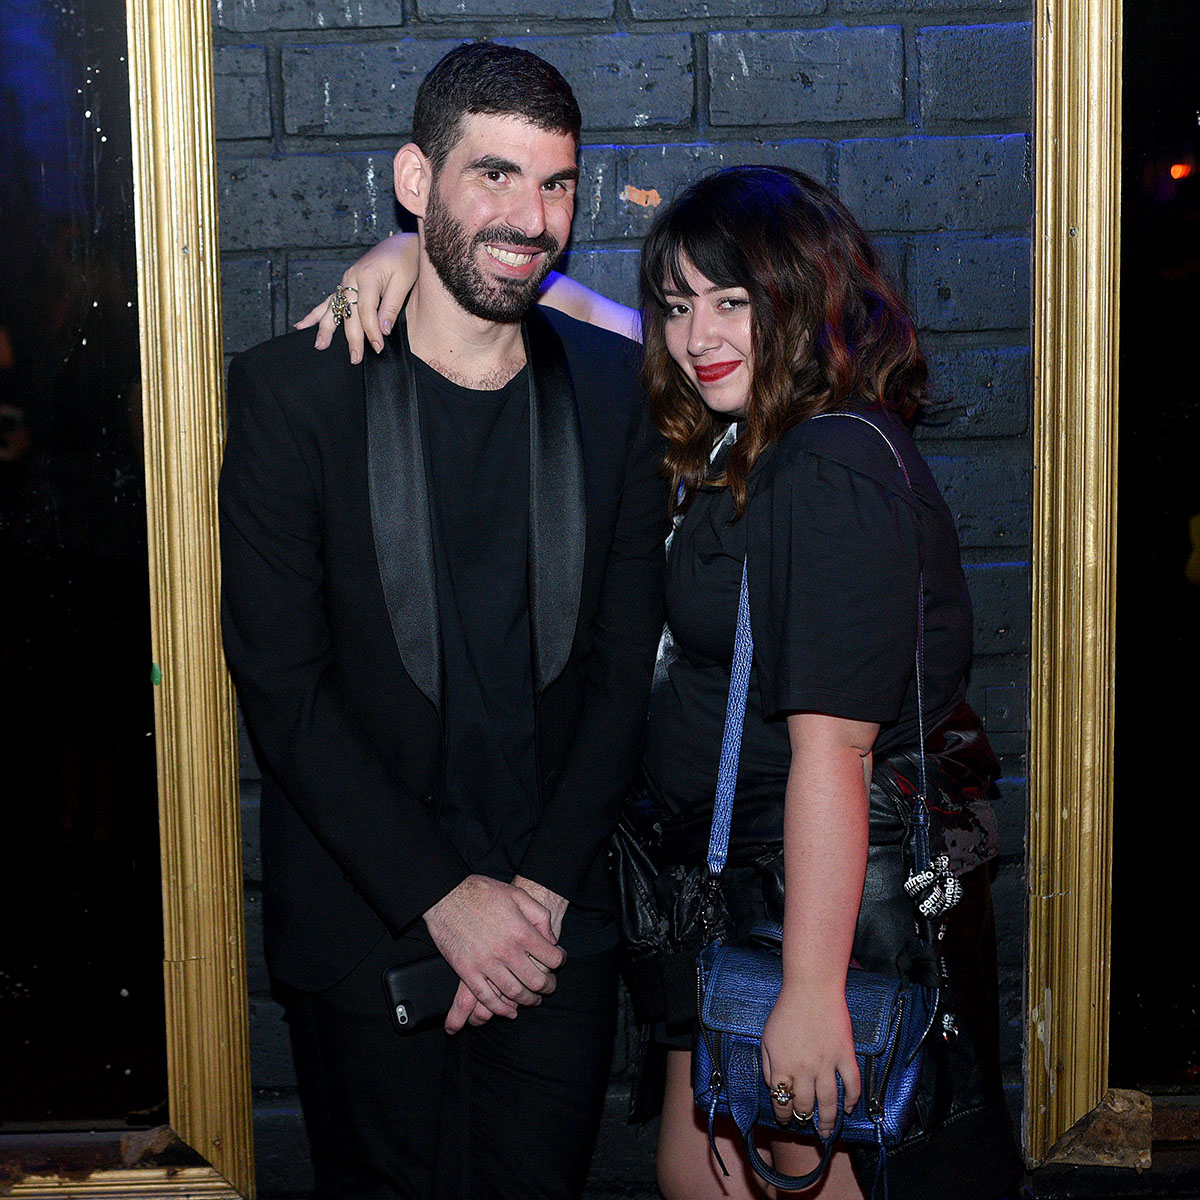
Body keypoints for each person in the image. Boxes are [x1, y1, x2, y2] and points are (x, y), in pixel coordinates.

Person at [316, 164, 1025, 1200]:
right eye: (678, 306)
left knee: (794, 1170)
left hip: (810, 904)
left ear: (806, 297)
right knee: (698, 1173)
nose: (698, 336)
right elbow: (593, 319)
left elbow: (836, 752)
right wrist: (412, 252)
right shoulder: (757, 437)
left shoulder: (830, 463)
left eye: (732, 302)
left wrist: (812, 991)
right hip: (735, 896)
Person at [219, 41, 668, 1200]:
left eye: (558, 183)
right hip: (366, 926)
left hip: (554, 934)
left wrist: (538, 898)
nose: (534, 217)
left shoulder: (615, 392)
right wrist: (447, 900)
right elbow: (283, 687)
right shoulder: (292, 393)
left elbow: (623, 671)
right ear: (416, 181)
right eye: (496, 175)